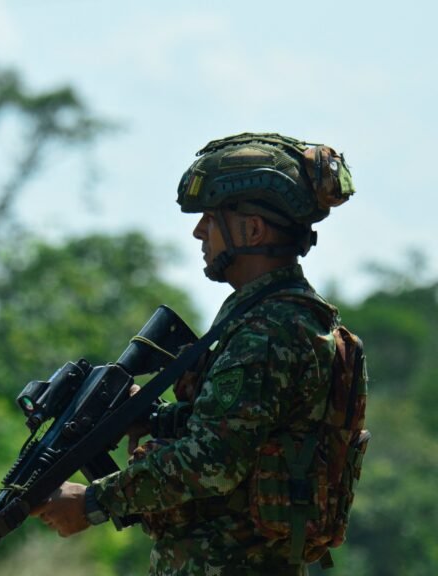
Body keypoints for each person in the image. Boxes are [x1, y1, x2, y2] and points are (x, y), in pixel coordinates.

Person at [31, 133, 360, 575]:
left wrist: (91, 502)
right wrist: (152, 418)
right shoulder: (276, 318)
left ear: (253, 229)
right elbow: (252, 435)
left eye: (211, 217)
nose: (198, 231)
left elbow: (213, 462)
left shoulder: (267, 332)